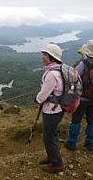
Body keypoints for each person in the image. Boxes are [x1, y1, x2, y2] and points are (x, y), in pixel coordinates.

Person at [65, 39, 93, 151]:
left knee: (76, 120)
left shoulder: (83, 64)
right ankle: (90, 143)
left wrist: (70, 94)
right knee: (92, 120)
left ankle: (71, 143)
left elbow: (73, 78)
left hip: (82, 98)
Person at [35, 43, 64, 173]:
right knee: (52, 134)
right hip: (58, 109)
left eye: (45, 56)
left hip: (51, 110)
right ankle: (52, 155)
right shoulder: (59, 69)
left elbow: (43, 95)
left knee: (48, 136)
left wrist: (36, 99)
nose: (43, 58)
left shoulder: (52, 74)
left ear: (52, 58)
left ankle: (56, 163)